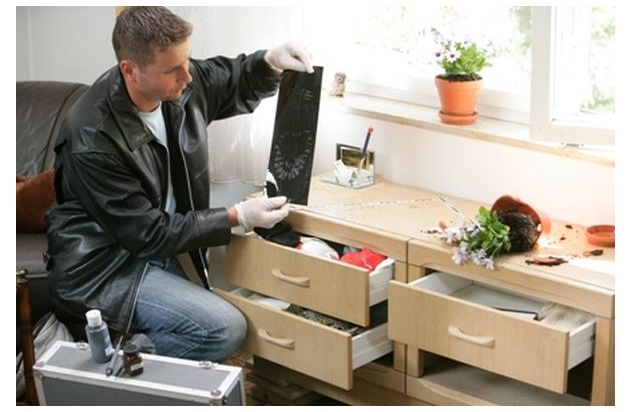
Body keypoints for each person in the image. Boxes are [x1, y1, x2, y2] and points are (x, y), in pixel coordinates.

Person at [46, 6, 313, 362]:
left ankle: (131, 361)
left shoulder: (177, 85)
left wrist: (271, 62)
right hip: (105, 265)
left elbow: (231, 79)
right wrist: (238, 216)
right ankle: (105, 372)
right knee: (223, 328)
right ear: (130, 70)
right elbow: (147, 234)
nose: (188, 76)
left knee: (214, 320)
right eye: (173, 69)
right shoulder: (93, 138)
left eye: (186, 60)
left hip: (151, 247)